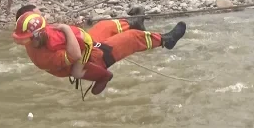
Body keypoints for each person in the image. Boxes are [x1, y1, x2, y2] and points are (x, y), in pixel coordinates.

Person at [13, 5, 186, 95]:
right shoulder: (45, 56)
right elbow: (75, 55)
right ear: (36, 34)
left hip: (83, 44)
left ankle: (134, 22)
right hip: (90, 59)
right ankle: (165, 40)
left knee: (104, 25)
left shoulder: (35, 36)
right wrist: (66, 29)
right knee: (132, 38)